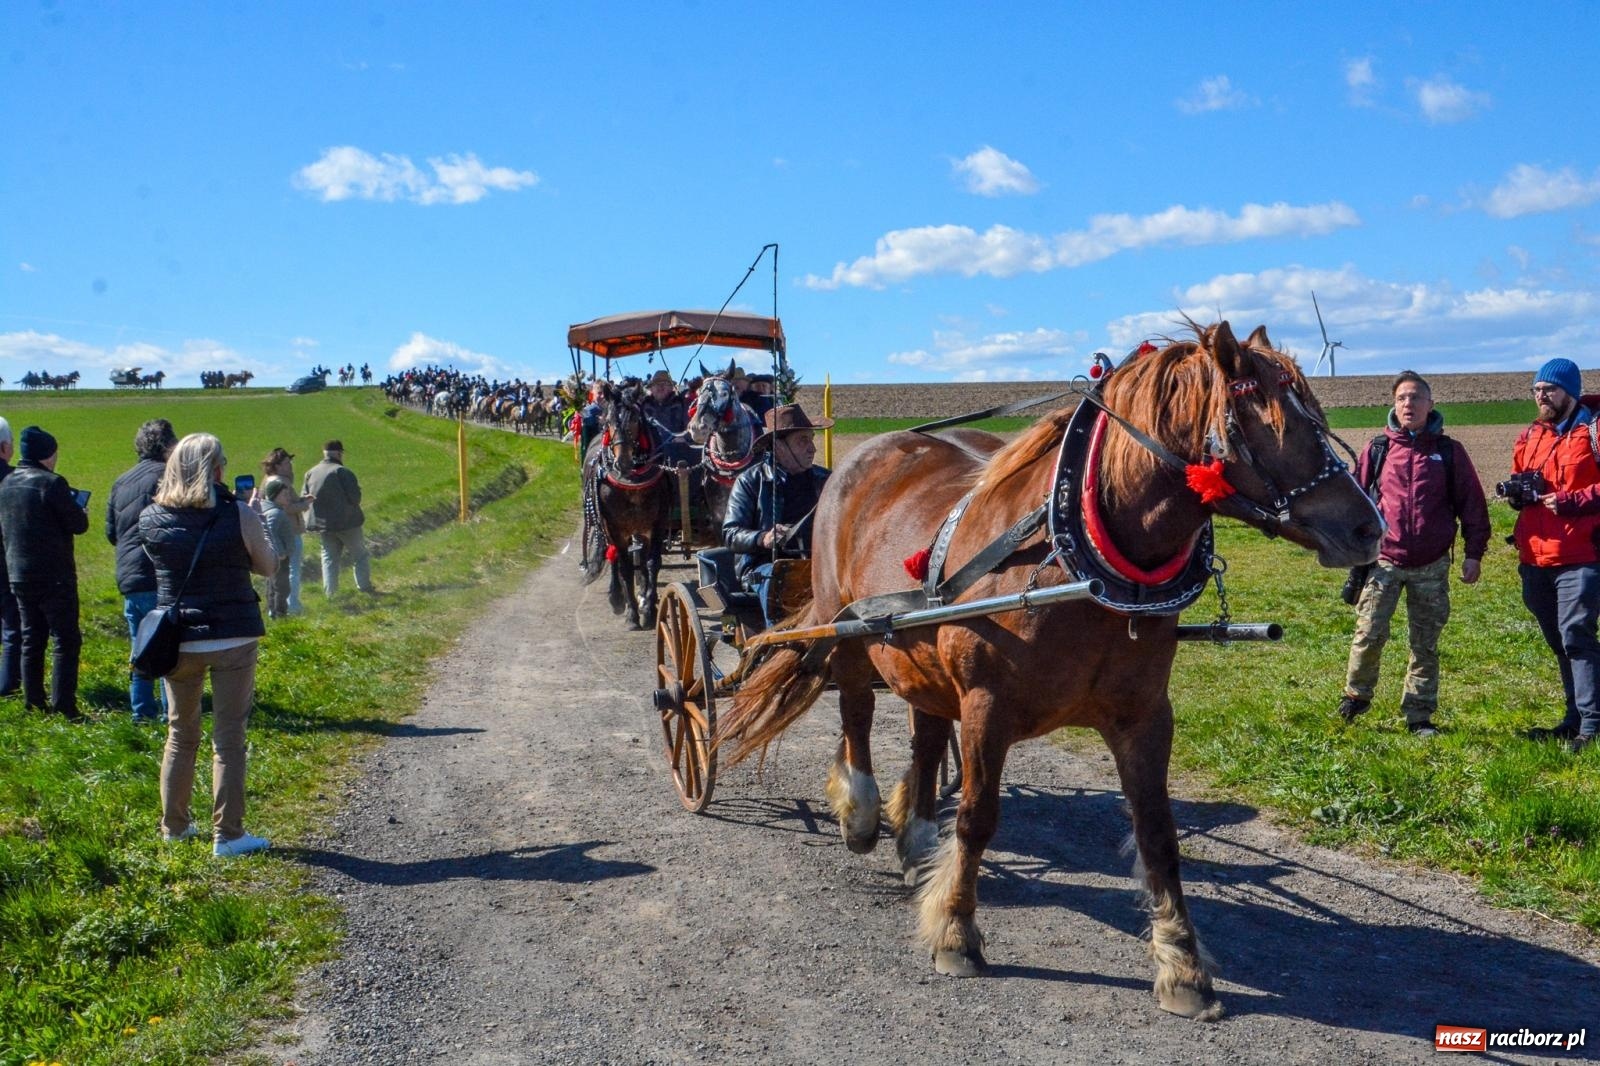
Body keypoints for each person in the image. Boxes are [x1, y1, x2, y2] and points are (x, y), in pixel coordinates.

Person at [141, 433, 277, 854]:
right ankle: (229, 835)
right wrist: (257, 519)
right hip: (233, 634)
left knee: (180, 733)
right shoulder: (237, 514)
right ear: (216, 470)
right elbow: (269, 566)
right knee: (229, 736)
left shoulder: (150, 518)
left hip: (178, 639)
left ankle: (175, 828)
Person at [1337, 372, 1490, 737]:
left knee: (1425, 645)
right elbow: (1356, 504)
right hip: (1384, 563)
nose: (1409, 404)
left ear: (1430, 405)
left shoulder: (1449, 452)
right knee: (1368, 634)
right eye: (1403, 398)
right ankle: (1356, 696)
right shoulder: (1378, 450)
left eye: (1416, 398)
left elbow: (1473, 506)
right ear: (1394, 404)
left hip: (1432, 565)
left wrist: (1474, 553)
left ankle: (1419, 714)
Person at [1511, 358, 1600, 754]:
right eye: (1536, 389)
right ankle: (1574, 718)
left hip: (1582, 553)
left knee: (1576, 635)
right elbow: (1521, 481)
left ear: (1570, 391)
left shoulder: (1594, 431)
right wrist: (1515, 494)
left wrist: (1571, 502)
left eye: (1549, 389)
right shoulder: (1531, 435)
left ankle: (1592, 726)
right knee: (1560, 641)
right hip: (1535, 557)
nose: (1541, 396)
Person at [0, 427, 88, 718]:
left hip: (18, 573)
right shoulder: (51, 484)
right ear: (47, 455)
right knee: (65, 639)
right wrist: (81, 510)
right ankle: (64, 706)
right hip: (54, 574)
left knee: (31, 637)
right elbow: (78, 524)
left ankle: (34, 702)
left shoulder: (7, 482)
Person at [722, 404, 833, 625]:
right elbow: (730, 534)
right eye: (803, 441)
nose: (812, 448)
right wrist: (763, 538)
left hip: (817, 562)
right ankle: (780, 647)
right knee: (779, 577)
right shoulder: (750, 481)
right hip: (764, 568)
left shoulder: (826, 480)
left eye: (811, 439)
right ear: (779, 446)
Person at [106, 418, 179, 722]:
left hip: (128, 575)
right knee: (165, 649)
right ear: (168, 445)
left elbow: (111, 533)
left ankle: (141, 712)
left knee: (140, 647)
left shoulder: (121, 481)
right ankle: (170, 713)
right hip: (157, 572)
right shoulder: (168, 476)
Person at [302, 439, 372, 596]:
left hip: (323, 525)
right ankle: (364, 587)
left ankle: (331, 594)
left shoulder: (310, 473)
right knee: (359, 555)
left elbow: (304, 497)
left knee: (329, 559)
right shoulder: (342, 471)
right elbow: (355, 498)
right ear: (340, 453)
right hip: (347, 523)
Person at [257, 448, 309, 614]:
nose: (290, 466)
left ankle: (277, 608)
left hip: (278, 531)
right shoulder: (280, 482)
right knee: (290, 571)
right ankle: (291, 606)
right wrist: (305, 504)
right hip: (288, 531)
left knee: (277, 574)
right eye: (287, 463)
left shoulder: (267, 480)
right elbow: (286, 507)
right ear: (277, 466)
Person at [0, 419, 20, 697]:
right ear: (5, 447)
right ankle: (7, 684)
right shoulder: (14, 480)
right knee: (11, 625)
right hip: (6, 560)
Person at [257, 479, 294, 619]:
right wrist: (280, 553)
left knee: (272, 585)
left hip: (273, 556)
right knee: (282, 587)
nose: (288, 497)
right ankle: (280, 615)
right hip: (279, 558)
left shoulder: (271, 510)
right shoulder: (276, 513)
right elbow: (270, 532)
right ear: (275, 495)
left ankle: (272, 612)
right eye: (285, 494)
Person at [641, 369, 694, 465]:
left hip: (677, 454)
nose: (660, 386)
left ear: (671, 387)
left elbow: (692, 428)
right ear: (651, 389)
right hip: (650, 455)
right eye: (656, 384)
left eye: (664, 383)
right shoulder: (643, 406)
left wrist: (684, 437)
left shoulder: (682, 404)